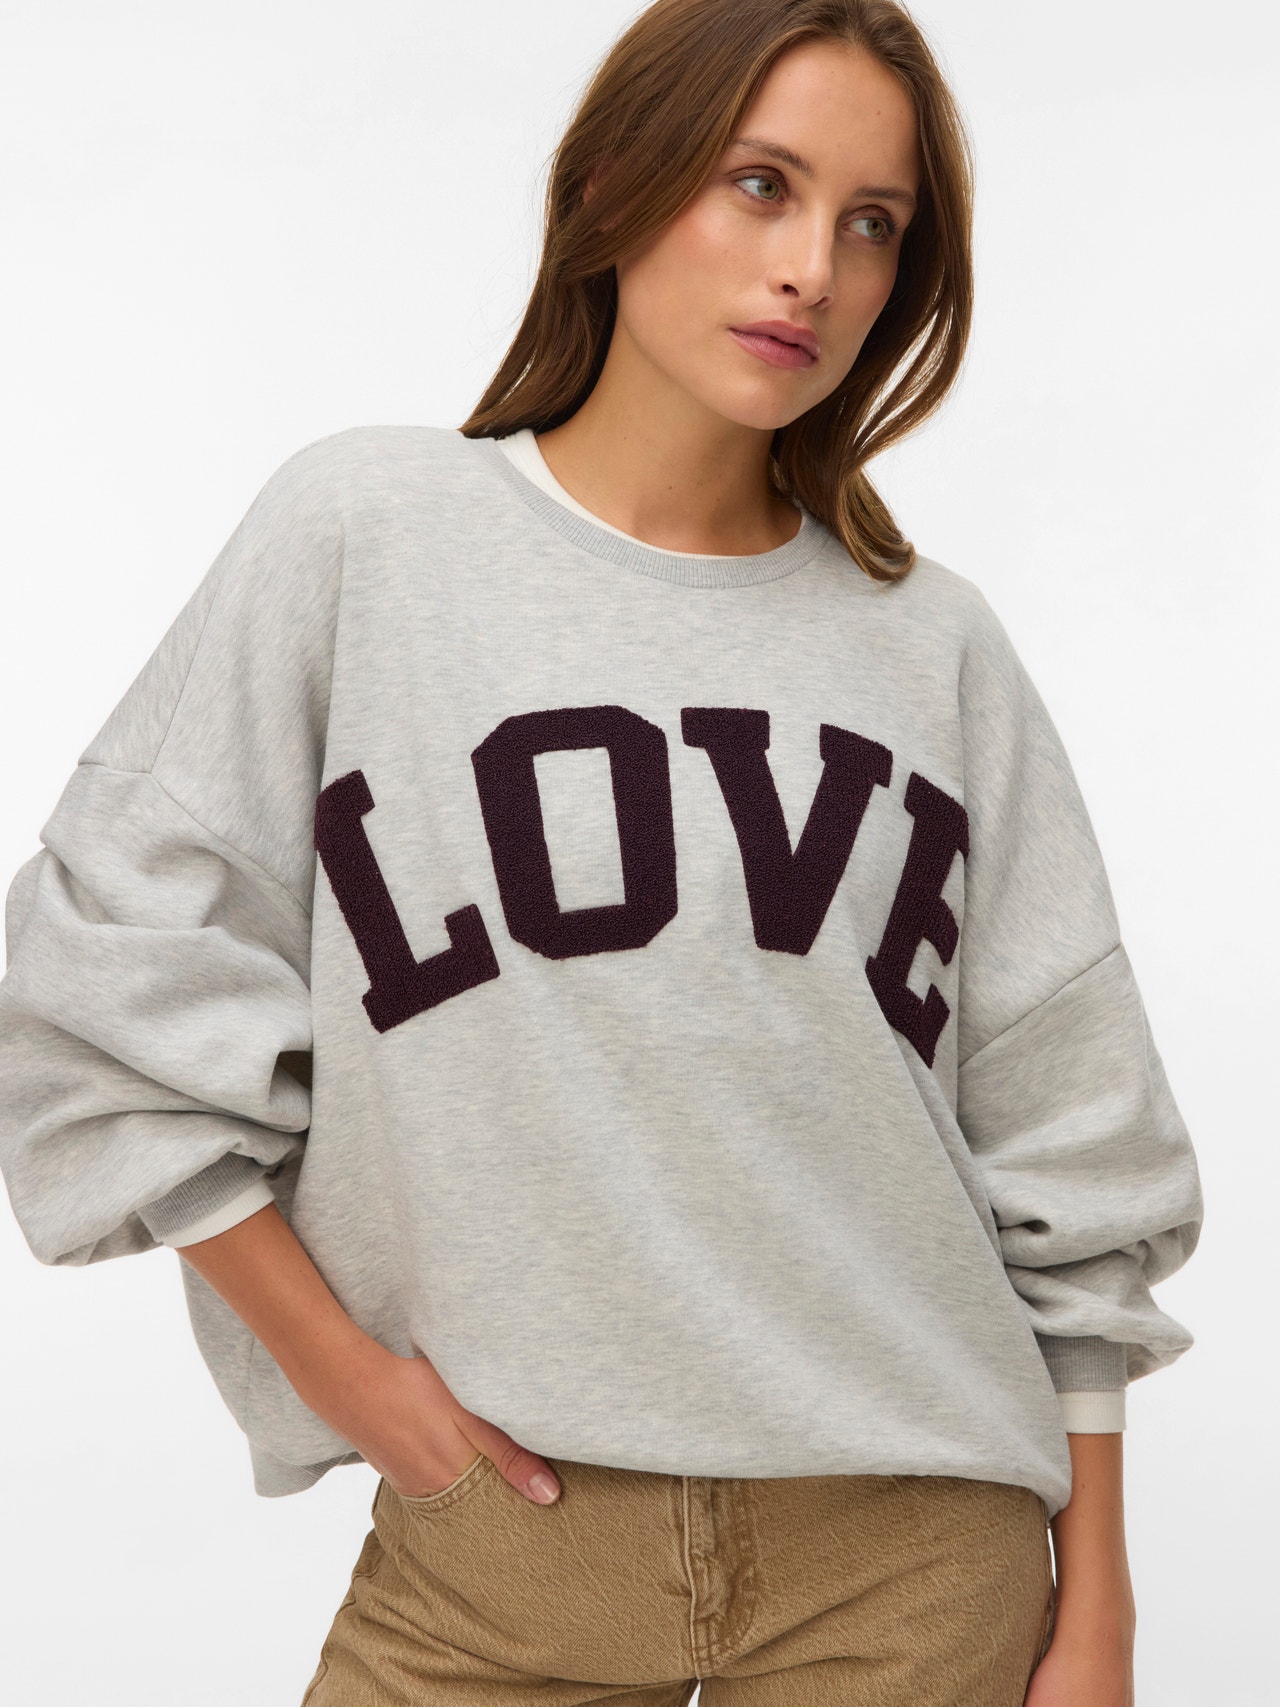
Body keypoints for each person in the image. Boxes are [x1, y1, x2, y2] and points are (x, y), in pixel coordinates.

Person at [0, 2, 1203, 1704]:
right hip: (496, 1547)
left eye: (873, 223)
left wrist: (1102, 1608)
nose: (813, 269)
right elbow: (103, 971)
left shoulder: (934, 647)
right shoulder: (366, 534)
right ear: (614, 186)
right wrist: (348, 1380)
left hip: (913, 1555)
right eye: (761, 185)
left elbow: (1075, 1138)